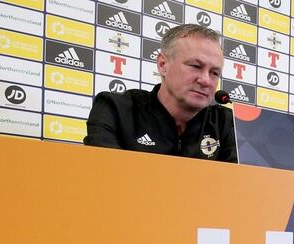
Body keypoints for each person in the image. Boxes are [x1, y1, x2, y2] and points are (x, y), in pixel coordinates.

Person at [84, 24, 237, 162]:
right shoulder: (115, 109)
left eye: (214, 73)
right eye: (196, 66)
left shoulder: (226, 123)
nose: (206, 80)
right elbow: (106, 177)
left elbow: (241, 187)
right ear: (163, 64)